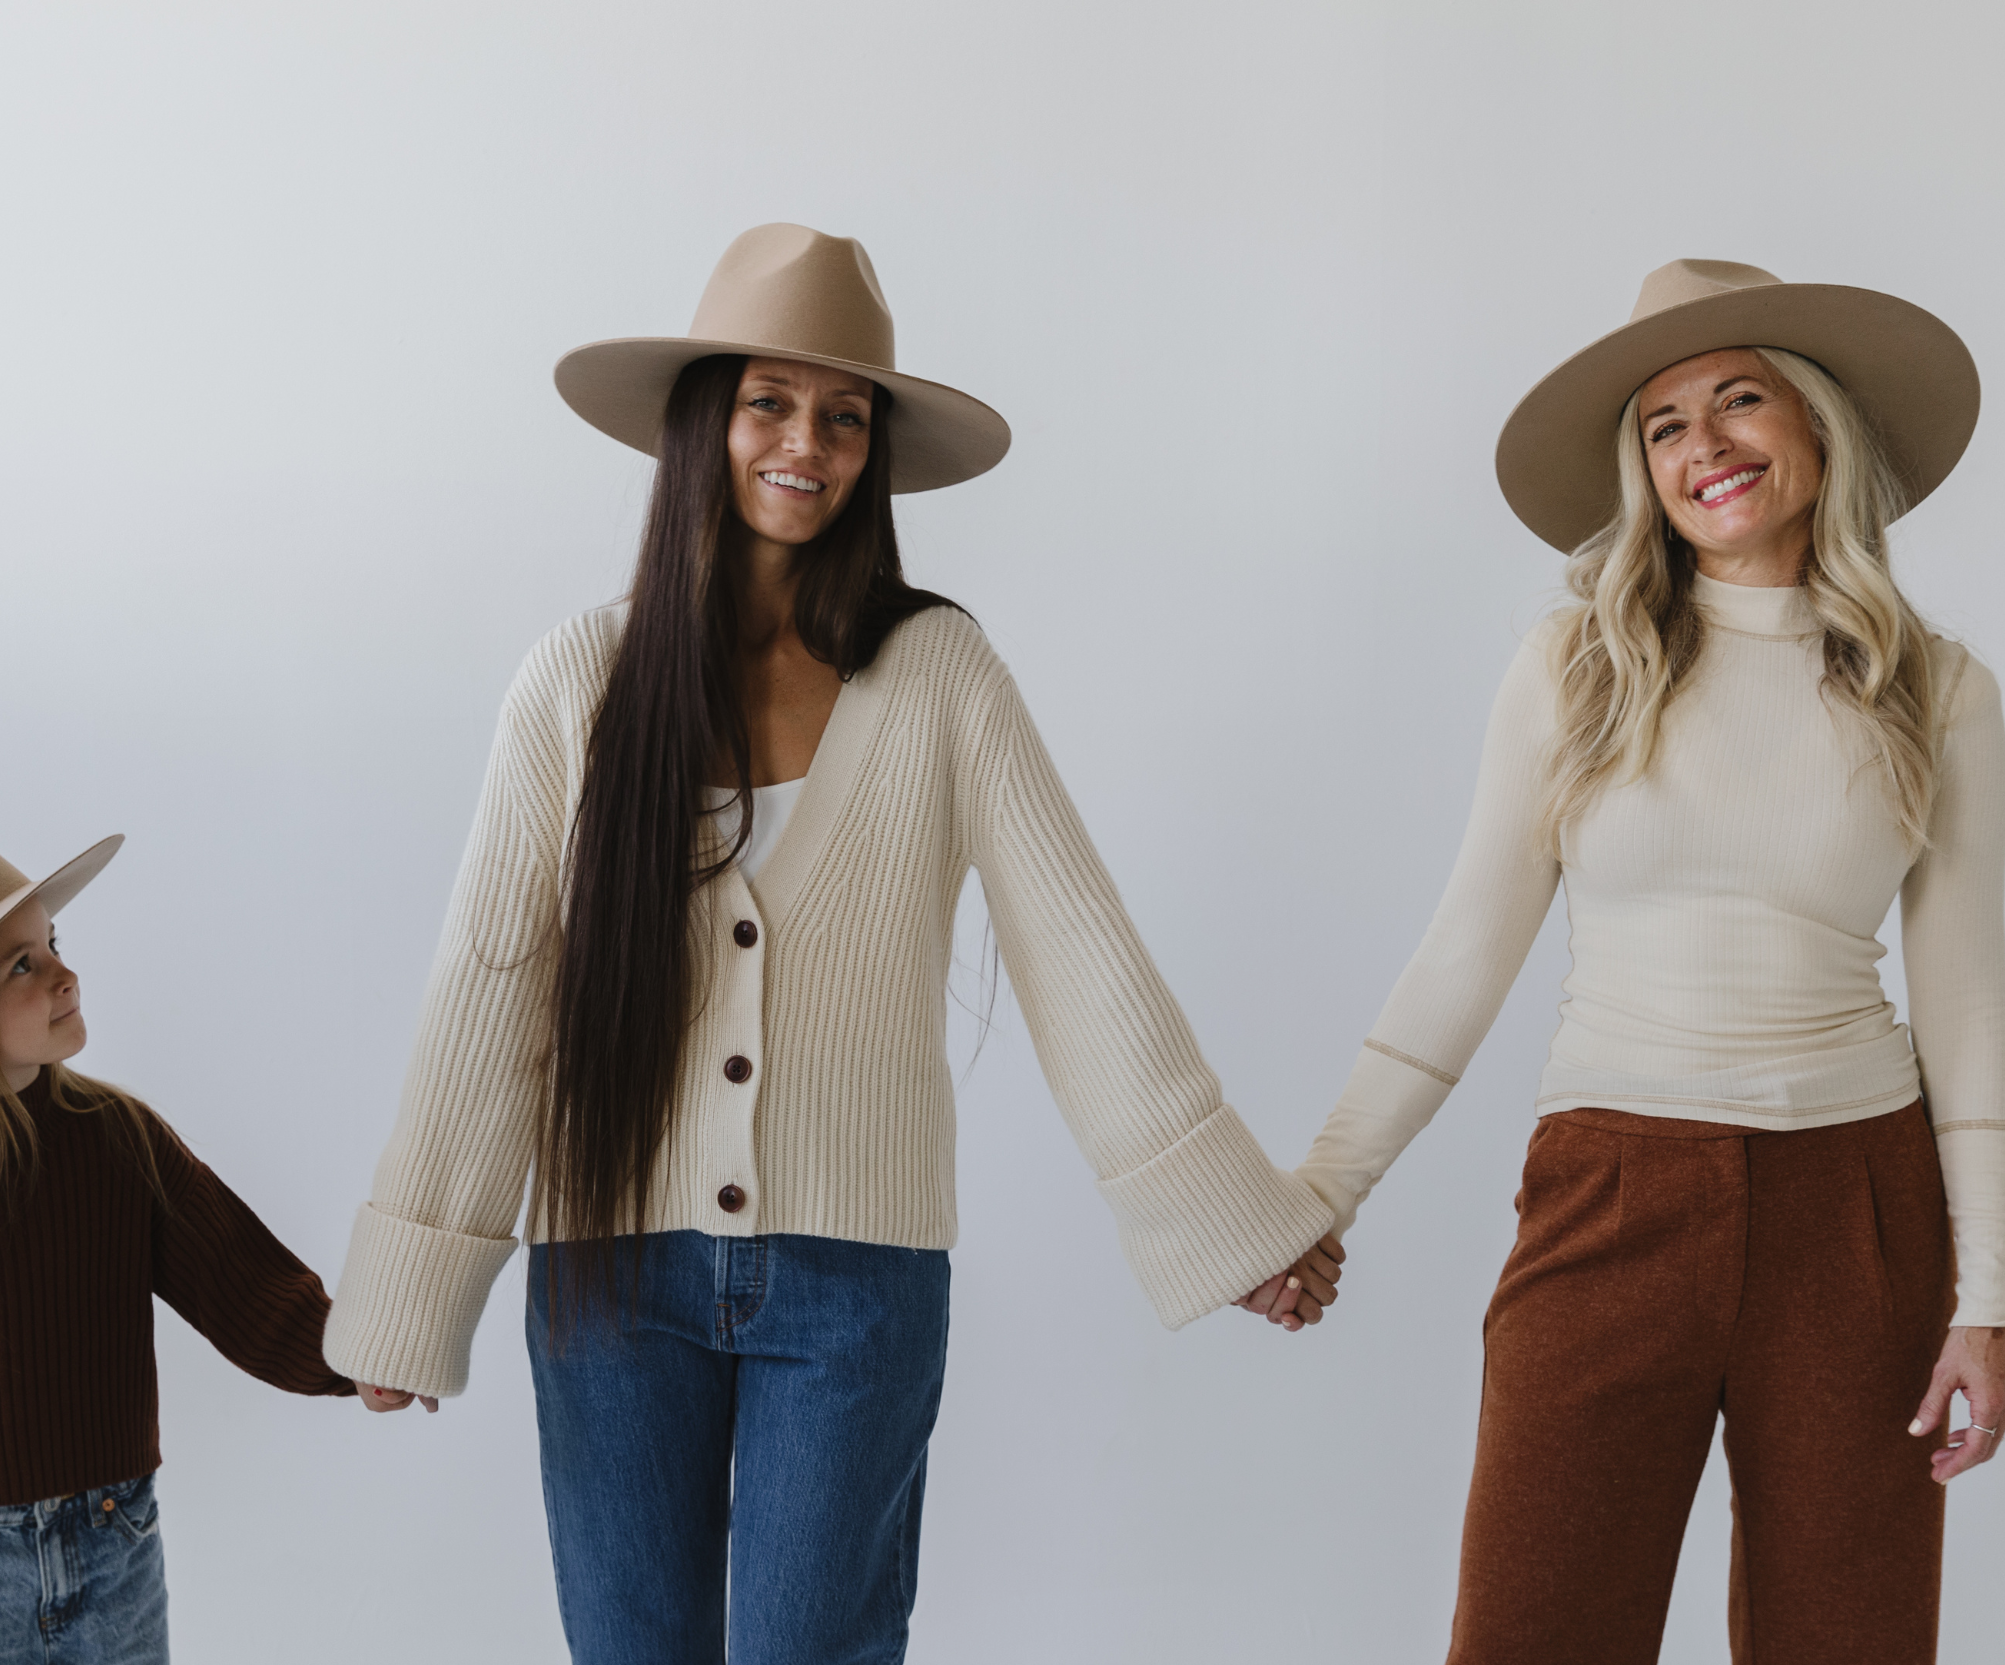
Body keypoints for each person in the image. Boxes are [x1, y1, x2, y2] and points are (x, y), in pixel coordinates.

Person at [324, 222, 1344, 1663]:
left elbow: (1077, 950)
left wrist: (1229, 1223)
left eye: (843, 415)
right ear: (704, 423)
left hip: (857, 1285)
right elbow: (492, 992)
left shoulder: (939, 674)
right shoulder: (576, 682)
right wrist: (412, 1289)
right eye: (769, 402)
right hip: (612, 1276)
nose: (807, 442)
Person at [1295, 260, 2005, 1663]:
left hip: (1858, 1211)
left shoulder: (1939, 688)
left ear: (1818, 428)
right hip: (1609, 1193)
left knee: (1848, 1640)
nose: (1706, 447)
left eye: (1740, 399)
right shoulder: (1576, 663)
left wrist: (1987, 1301)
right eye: (1664, 425)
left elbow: (1966, 1002)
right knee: (1533, 1630)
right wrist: (1325, 1191)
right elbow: (1465, 950)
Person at [0, 817, 363, 1665]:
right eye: (24, 964)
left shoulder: (116, 1138)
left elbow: (245, 1284)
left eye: (52, 943)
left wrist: (359, 1355)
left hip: (114, 1545)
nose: (67, 974)